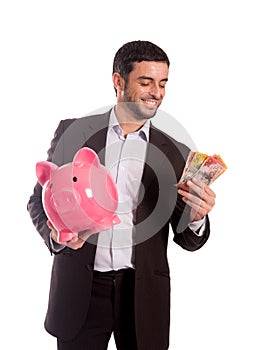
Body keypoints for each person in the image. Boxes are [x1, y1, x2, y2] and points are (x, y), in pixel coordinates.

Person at [27, 40, 216, 350]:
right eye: (146, 82)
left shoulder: (176, 154)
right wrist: (57, 237)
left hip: (141, 294)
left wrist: (196, 218)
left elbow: (187, 239)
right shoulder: (74, 132)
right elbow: (38, 199)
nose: (157, 92)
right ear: (118, 81)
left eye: (163, 83)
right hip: (81, 292)